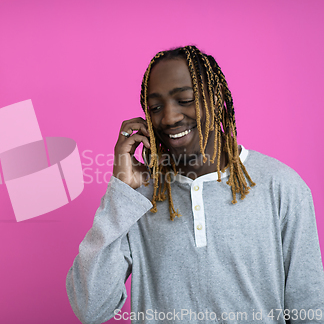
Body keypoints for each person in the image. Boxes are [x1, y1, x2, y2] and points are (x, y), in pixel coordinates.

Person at [66, 45, 324, 324]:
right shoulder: (137, 199)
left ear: (215, 99)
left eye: (185, 100)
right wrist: (120, 192)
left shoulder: (281, 186)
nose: (169, 117)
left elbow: (309, 307)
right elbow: (90, 309)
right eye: (155, 107)